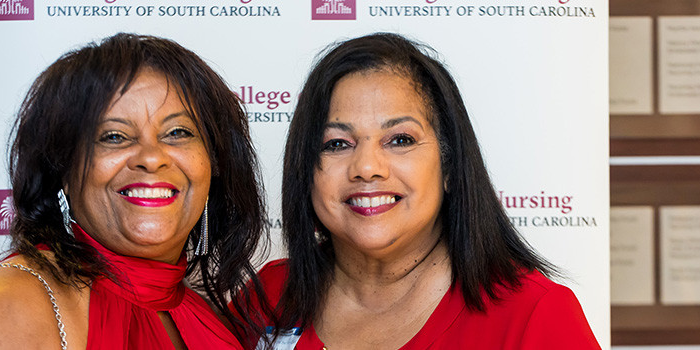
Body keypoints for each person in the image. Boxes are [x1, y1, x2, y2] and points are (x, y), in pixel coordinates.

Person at [245, 33, 600, 349]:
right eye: (337, 144)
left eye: (400, 140)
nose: (367, 167)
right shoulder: (267, 296)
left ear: (449, 165)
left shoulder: (535, 314)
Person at [0, 33, 271, 349]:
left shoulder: (208, 318)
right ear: (62, 167)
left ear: (214, 163)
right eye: (114, 137)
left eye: (177, 133)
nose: (151, 158)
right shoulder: (4, 308)